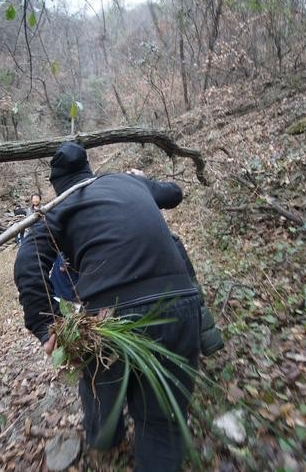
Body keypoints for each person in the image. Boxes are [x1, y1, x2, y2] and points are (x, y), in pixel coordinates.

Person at [14, 142, 200, 471]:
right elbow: (173, 194)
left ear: (56, 183)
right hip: (180, 305)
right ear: (88, 168)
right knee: (162, 417)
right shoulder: (127, 181)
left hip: (110, 320)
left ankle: (104, 438)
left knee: (101, 386)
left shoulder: (59, 207)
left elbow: (29, 261)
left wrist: (46, 325)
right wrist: (142, 179)